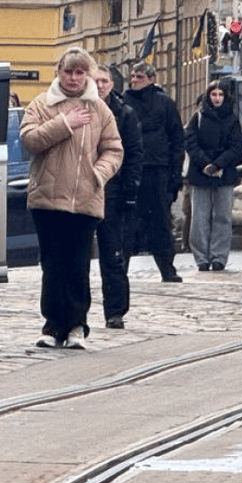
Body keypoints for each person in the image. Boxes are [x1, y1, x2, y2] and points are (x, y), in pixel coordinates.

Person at [20, 48, 123, 350]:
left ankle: (77, 324)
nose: (74, 78)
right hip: (48, 199)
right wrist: (64, 123)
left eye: (80, 73)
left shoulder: (100, 109)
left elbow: (113, 149)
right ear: (59, 72)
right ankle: (53, 325)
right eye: (69, 72)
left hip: (84, 200)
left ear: (88, 75)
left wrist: (98, 174)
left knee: (78, 265)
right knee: (53, 264)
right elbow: (30, 140)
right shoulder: (42, 103)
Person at [124, 62, 186, 282]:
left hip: (158, 170)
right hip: (132, 170)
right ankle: (121, 269)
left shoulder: (165, 104)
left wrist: (175, 176)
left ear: (151, 78)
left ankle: (167, 269)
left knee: (161, 222)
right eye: (133, 76)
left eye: (139, 76)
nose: (135, 80)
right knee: (128, 223)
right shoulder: (125, 103)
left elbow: (177, 140)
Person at [92, 66, 143, 329]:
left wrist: (130, 191)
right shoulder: (81, 110)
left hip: (114, 192)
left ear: (111, 84)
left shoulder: (124, 114)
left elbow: (134, 154)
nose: (99, 85)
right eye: (95, 81)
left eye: (104, 81)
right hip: (85, 191)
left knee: (113, 255)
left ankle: (115, 311)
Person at [184, 81, 242, 271]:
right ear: (208, 96)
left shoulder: (232, 119)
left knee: (223, 216)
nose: (217, 98)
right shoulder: (197, 117)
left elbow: (237, 146)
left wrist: (219, 164)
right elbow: (190, 142)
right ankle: (201, 257)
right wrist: (206, 164)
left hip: (224, 172)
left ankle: (219, 256)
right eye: (214, 94)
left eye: (220, 94)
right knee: (200, 217)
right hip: (200, 171)